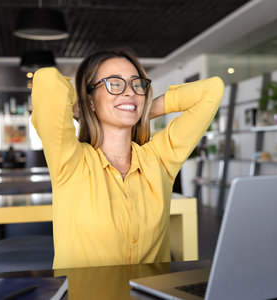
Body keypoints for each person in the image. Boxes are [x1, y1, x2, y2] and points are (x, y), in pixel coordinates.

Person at [31, 48, 224, 269]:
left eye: (136, 84)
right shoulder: (70, 162)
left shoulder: (159, 160)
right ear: (91, 100)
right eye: (114, 83)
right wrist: (83, 107)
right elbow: (47, 81)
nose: (129, 92)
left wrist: (143, 109)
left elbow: (212, 90)